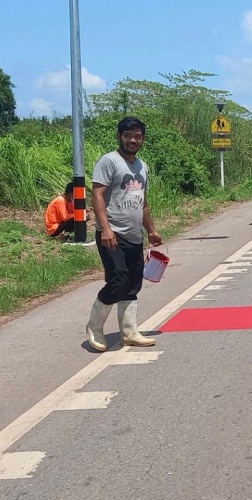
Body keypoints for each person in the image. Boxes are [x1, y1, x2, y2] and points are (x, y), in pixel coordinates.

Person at [85, 116, 163, 352]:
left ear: (143, 139)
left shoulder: (142, 166)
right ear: (119, 136)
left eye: (138, 136)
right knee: (118, 280)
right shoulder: (109, 161)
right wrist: (105, 228)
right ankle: (94, 326)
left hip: (134, 235)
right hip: (112, 235)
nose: (133, 140)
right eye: (128, 135)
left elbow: (143, 202)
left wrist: (151, 230)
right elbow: (97, 195)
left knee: (132, 285)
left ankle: (129, 332)